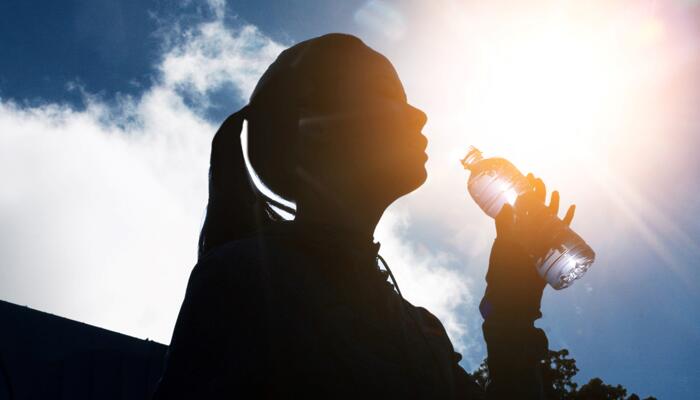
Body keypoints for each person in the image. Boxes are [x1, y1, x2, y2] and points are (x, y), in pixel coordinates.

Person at [152, 33, 576, 399]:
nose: (419, 115)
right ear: (316, 127)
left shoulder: (421, 329)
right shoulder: (245, 278)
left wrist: (510, 311)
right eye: (389, 97)